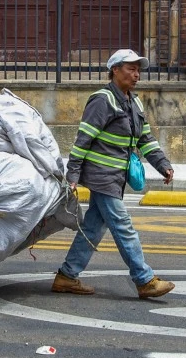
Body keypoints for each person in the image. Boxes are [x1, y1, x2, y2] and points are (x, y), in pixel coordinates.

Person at [52, 48, 176, 298]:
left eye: (138, 70)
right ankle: (144, 280)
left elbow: (145, 139)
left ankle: (67, 276)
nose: (136, 74)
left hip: (116, 177)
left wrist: (163, 164)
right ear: (115, 70)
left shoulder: (134, 102)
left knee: (93, 228)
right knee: (123, 226)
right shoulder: (102, 100)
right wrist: (72, 175)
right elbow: (83, 139)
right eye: (131, 69)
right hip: (102, 176)